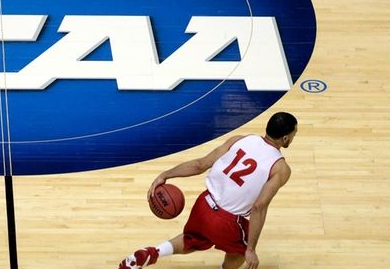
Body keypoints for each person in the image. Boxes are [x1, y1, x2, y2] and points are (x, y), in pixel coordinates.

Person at [119, 112, 299, 269]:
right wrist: (251, 249)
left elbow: (200, 164)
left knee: (192, 240)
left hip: (204, 203)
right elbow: (260, 206)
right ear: (285, 138)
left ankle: (153, 252)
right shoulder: (281, 169)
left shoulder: (240, 139)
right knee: (240, 252)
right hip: (227, 221)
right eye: (294, 133)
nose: (293, 136)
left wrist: (166, 174)